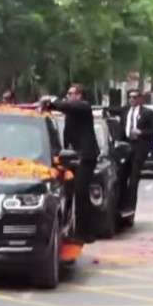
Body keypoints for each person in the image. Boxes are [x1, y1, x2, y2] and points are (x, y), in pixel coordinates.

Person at [47, 84, 100, 241]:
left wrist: (52, 99)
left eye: (71, 93)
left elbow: (65, 105)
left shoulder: (83, 107)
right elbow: (63, 108)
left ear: (79, 95)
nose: (68, 96)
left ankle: (85, 232)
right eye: (68, 93)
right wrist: (47, 104)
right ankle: (72, 227)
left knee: (81, 191)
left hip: (86, 156)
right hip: (72, 156)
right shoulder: (72, 110)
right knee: (70, 191)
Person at [107, 90, 153, 215]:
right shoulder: (125, 110)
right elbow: (110, 110)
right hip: (125, 146)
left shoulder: (148, 113)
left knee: (134, 178)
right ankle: (121, 205)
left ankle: (130, 207)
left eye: (135, 97)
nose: (132, 99)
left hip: (140, 146)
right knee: (121, 176)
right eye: (130, 97)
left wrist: (141, 132)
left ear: (141, 99)